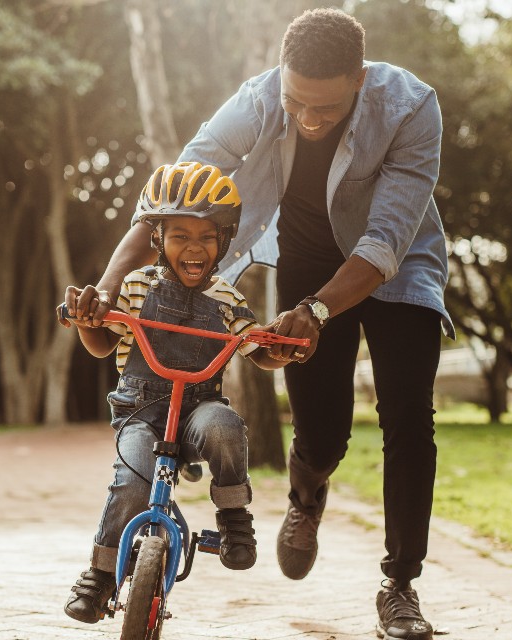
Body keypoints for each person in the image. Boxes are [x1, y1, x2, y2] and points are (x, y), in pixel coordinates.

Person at [75, 9, 453, 639]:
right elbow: (175, 194)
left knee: (408, 415)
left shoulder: (412, 108)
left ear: (359, 79)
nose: (308, 119)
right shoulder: (257, 99)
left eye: (326, 109)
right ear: (282, 75)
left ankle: (401, 585)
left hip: (399, 263)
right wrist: (109, 283)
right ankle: (307, 494)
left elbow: (385, 240)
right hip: (308, 258)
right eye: (297, 102)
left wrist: (319, 312)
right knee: (323, 432)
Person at [61, 162, 291, 625]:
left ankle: (233, 517)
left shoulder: (227, 298)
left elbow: (256, 349)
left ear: (224, 242)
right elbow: (104, 342)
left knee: (225, 427)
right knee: (132, 481)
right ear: (157, 240)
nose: (194, 247)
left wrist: (281, 348)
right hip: (141, 412)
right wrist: (88, 321)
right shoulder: (134, 286)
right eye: (180, 235)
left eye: (207, 237)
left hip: (198, 410)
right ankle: (101, 574)